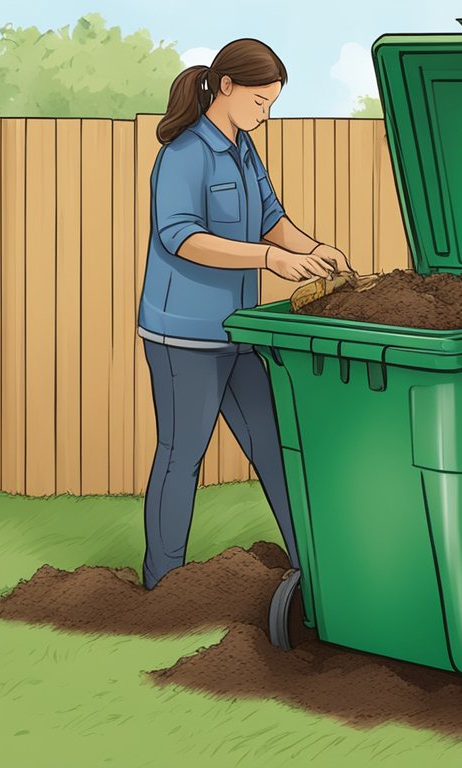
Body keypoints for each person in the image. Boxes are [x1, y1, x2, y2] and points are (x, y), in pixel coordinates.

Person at [137, 38, 350, 589]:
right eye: (260, 101)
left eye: (272, 103)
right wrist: (270, 259)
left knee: (276, 448)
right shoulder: (183, 154)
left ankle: (317, 568)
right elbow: (180, 236)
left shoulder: (242, 149)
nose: (266, 113)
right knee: (182, 456)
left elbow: (271, 217)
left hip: (239, 331)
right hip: (181, 334)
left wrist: (312, 251)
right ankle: (163, 586)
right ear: (226, 87)